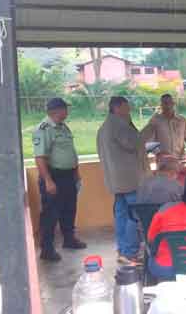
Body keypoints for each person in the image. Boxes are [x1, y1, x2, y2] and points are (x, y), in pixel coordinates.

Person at [33, 97, 87, 261]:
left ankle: (69, 239)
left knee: (69, 209)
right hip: (54, 176)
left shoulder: (63, 127)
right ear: (55, 111)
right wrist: (48, 180)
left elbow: (70, 151)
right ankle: (47, 249)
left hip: (68, 175)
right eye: (65, 108)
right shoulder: (44, 129)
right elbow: (40, 157)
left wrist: (76, 172)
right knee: (50, 214)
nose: (67, 111)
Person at [97, 96, 144, 265]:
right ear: (117, 108)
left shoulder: (104, 127)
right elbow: (134, 143)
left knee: (121, 216)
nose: (129, 111)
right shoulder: (119, 125)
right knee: (134, 217)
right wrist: (135, 128)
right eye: (126, 107)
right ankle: (130, 253)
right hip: (128, 181)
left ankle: (123, 250)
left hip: (115, 181)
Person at [140, 94, 186, 160]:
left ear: (173, 104)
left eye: (170, 103)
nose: (168, 106)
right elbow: (149, 140)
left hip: (181, 158)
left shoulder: (182, 120)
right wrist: (158, 153)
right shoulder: (155, 121)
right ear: (161, 105)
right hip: (163, 161)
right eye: (165, 103)